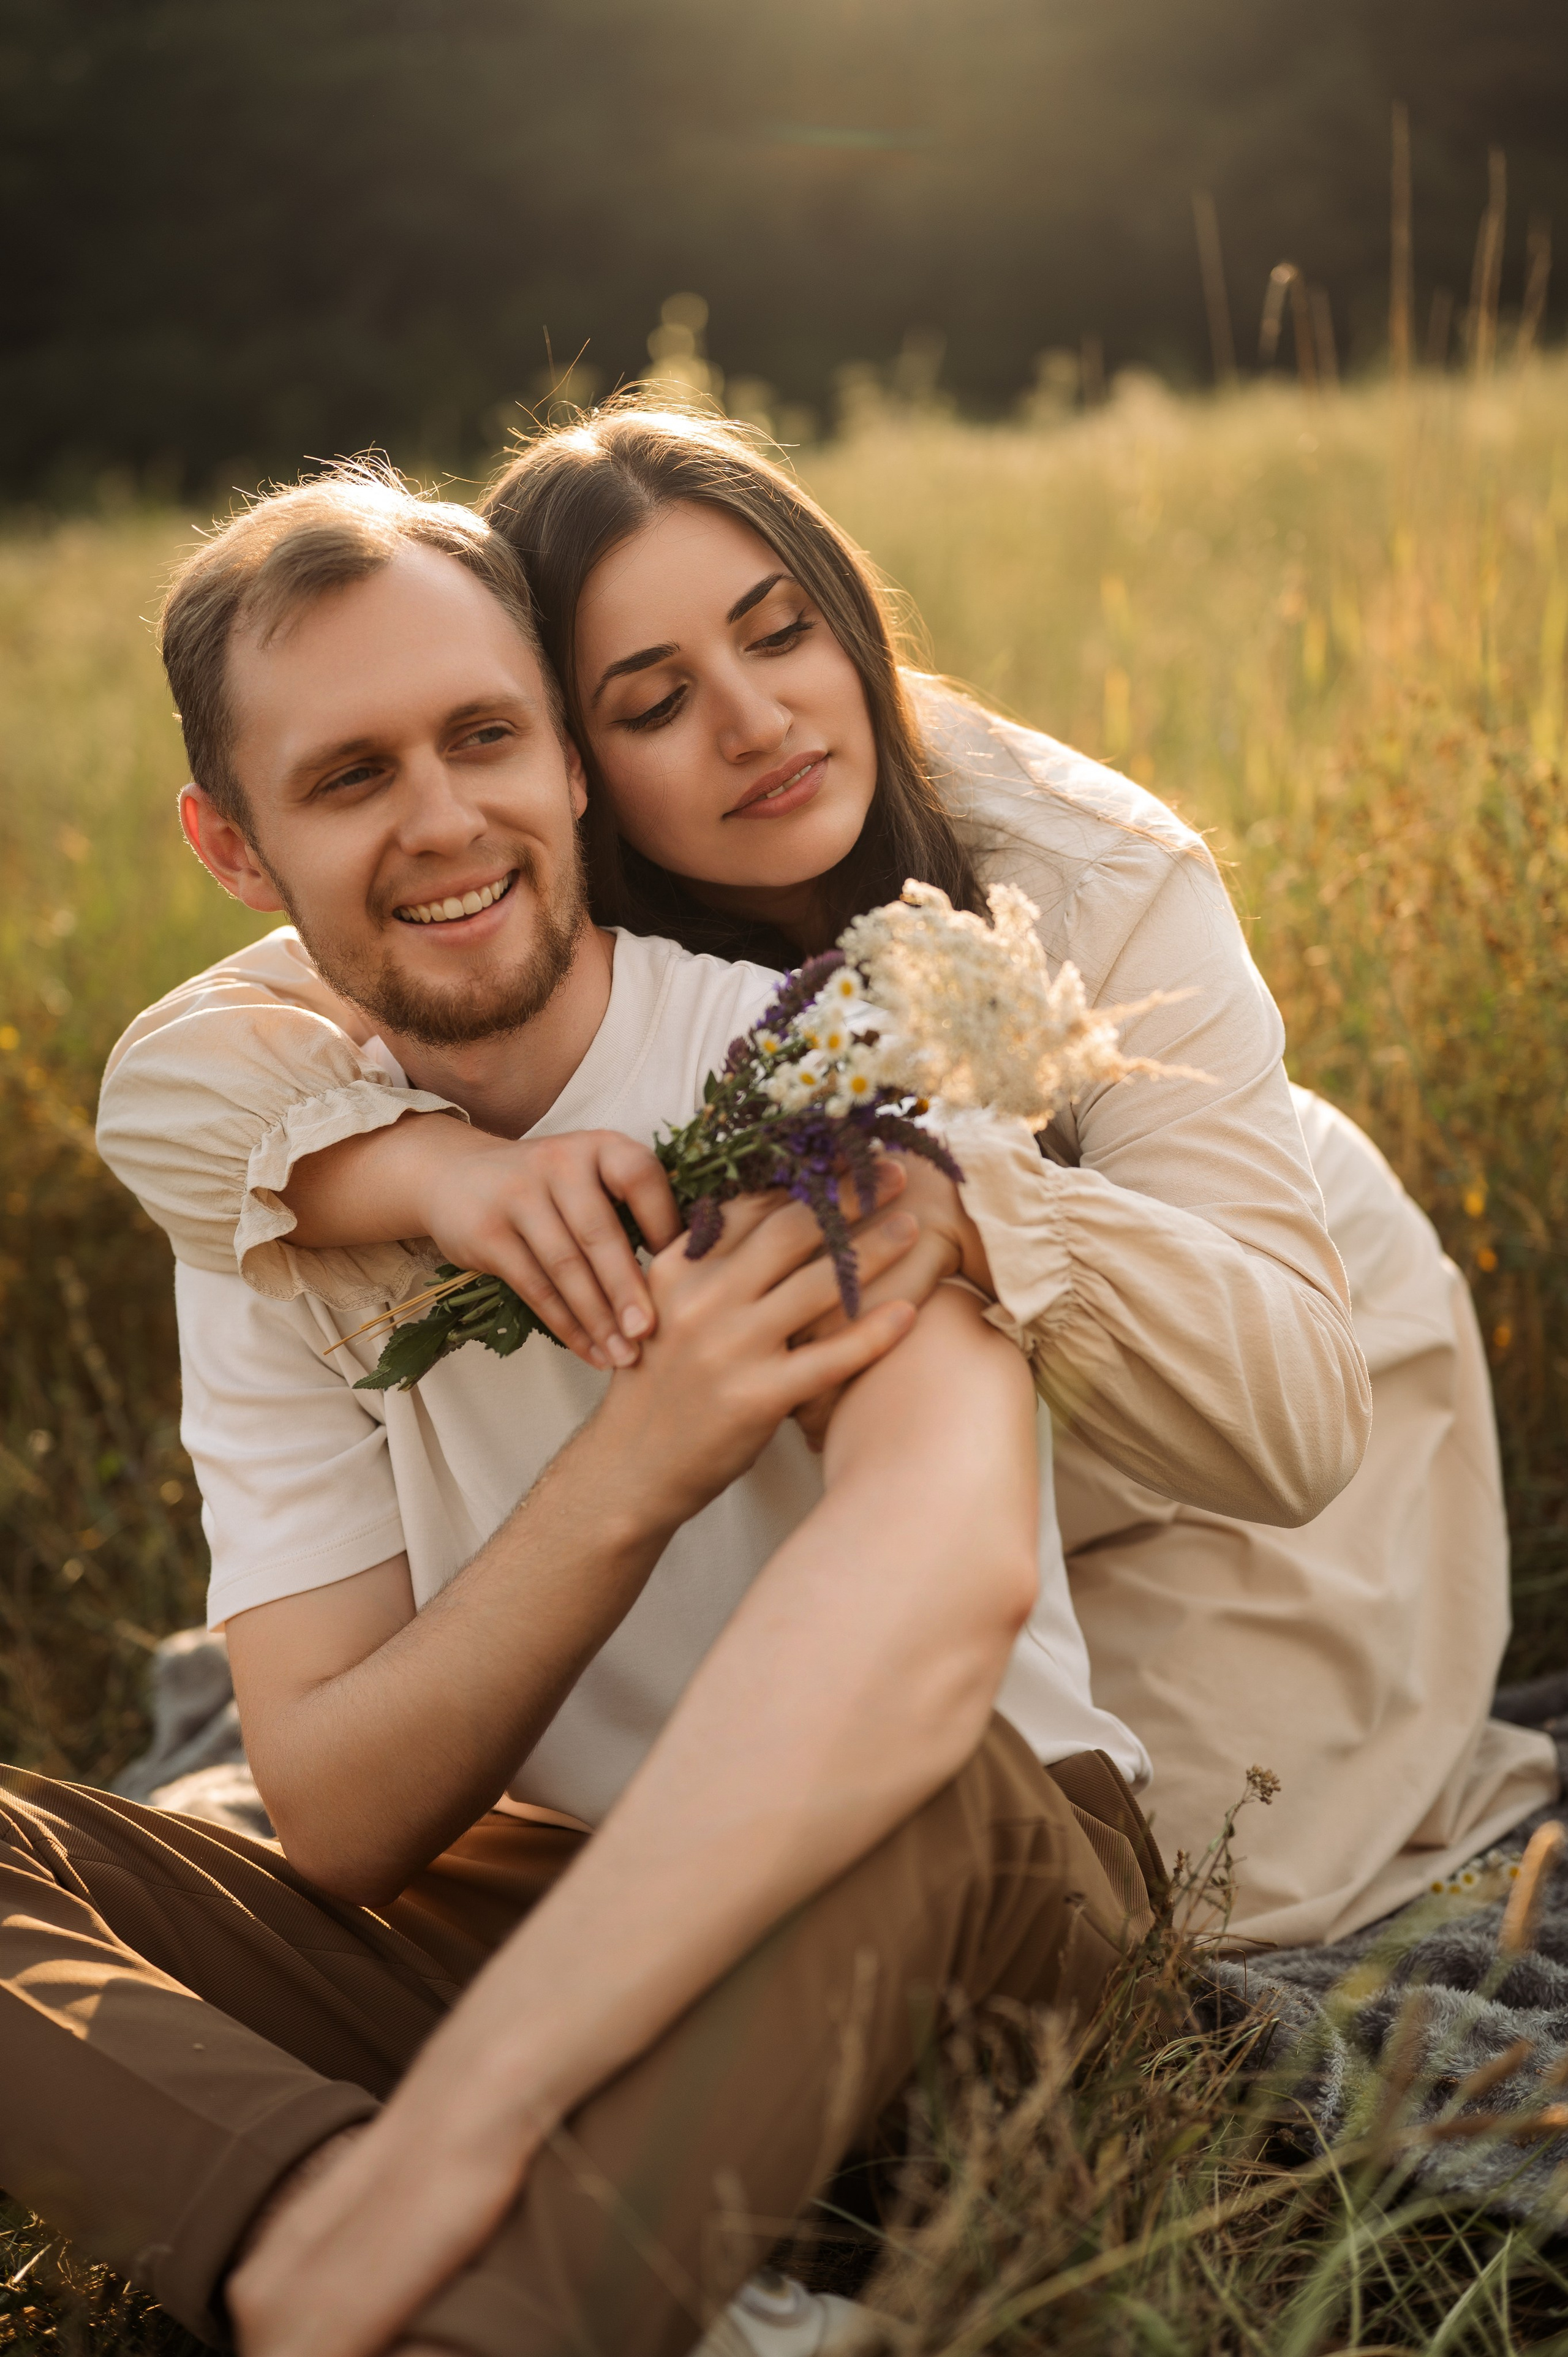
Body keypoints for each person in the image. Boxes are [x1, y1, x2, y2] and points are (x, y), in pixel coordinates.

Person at [99, 405, 1557, 1944]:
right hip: (922, 1468)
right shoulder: (499, 864)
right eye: (653, 701)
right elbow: (175, 1079)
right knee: (769, 1839)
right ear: (571, 752)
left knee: (1142, 1901)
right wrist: (422, 1167)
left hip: (1233, 1384)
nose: (757, 723)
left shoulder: (1091, 870)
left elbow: (1293, 1427)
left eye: (782, 632)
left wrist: (978, 1200)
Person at [5, 470, 1164, 2357]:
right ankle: (320, 2228)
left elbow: (940, 1589)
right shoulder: (276, 1191)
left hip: (969, 1891)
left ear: (565, 761)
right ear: (234, 851)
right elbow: (346, 1816)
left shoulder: (816, 1063)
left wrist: (456, 2133)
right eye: (349, 776)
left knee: (938, 1793)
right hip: (565, 1904)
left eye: (484, 737)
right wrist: (636, 1466)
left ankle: (470, 2287)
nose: (443, 819)